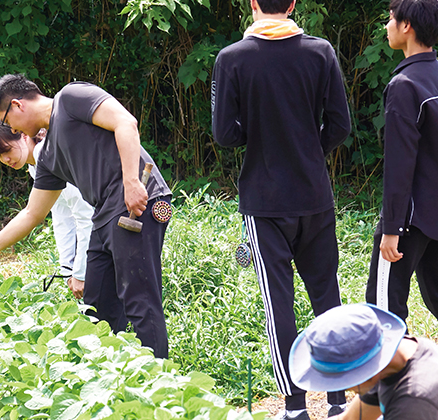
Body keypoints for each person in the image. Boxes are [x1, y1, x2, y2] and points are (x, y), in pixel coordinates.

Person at [0, 74, 173, 358]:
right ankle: (115, 382)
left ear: (17, 105)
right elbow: (32, 213)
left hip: (137, 201)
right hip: (105, 214)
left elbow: (126, 123)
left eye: (9, 123)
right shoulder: (47, 156)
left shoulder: (71, 98)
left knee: (139, 301)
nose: (14, 129)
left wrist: (131, 181)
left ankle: (160, 384)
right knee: (96, 308)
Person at [211, 0, 351, 418]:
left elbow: (224, 134)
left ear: (253, 4)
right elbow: (340, 125)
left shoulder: (232, 58)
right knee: (328, 296)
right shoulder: (320, 51)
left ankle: (294, 407)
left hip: (264, 199)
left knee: (279, 304)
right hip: (314, 195)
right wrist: (310, 149)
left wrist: (258, 137)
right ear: (292, 4)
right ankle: (339, 399)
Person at [365, 0, 438, 325]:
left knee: (384, 312)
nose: (387, 25)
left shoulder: (403, 87)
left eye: (391, 18)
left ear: (406, 25)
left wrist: (391, 229)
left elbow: (399, 165)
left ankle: (394, 378)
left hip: (408, 220)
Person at [0, 117, 94, 299]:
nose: (5, 159)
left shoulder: (52, 155)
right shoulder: (35, 166)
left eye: (7, 150)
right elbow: (61, 216)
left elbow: (85, 216)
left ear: (23, 134)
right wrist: (68, 271)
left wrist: (80, 274)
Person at [289, 303, 438, 419]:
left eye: (341, 381)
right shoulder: (392, 359)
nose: (345, 388)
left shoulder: (413, 404)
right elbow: (348, 419)